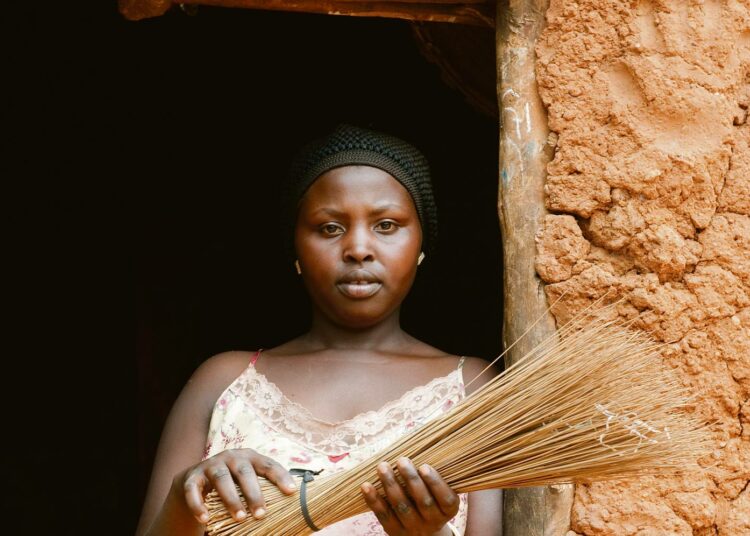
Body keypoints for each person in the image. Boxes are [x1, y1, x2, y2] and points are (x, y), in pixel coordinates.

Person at [135, 124, 503, 536]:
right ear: (295, 247)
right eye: (329, 227)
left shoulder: (469, 387)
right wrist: (188, 498)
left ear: (421, 245)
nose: (358, 248)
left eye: (386, 225)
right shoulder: (225, 383)